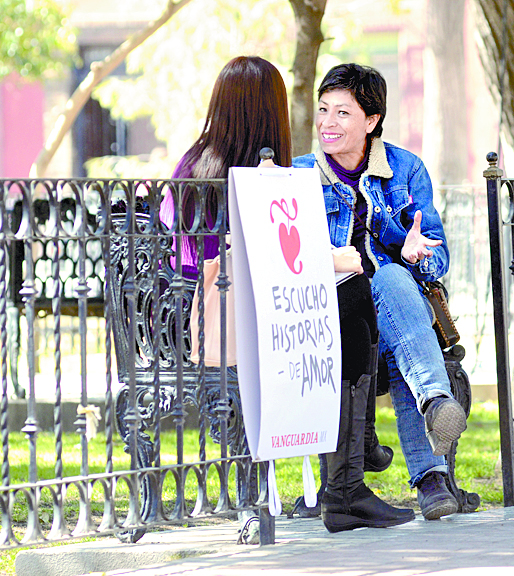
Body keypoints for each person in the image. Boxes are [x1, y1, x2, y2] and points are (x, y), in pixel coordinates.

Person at [159, 56, 413, 535]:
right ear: (267, 111)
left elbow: (188, 253)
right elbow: (263, 256)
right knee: (355, 299)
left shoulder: (192, 164)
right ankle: (349, 479)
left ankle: (352, 473)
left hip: (211, 311)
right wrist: (332, 259)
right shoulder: (261, 173)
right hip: (237, 321)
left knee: (354, 300)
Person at [294, 63, 467, 521]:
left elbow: (437, 260)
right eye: (324, 110)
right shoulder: (300, 176)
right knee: (386, 303)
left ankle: (431, 420)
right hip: (331, 308)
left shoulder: (406, 170)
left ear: (371, 121)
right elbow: (289, 256)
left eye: (343, 113)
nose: (328, 123)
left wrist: (412, 252)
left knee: (391, 282)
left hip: (392, 309)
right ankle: (430, 467)